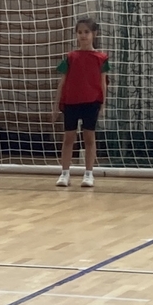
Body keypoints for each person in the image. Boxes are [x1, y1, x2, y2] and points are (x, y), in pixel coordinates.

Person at [55, 17, 109, 188]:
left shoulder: (101, 58)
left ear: (94, 34)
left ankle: (89, 174)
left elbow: (103, 83)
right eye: (79, 32)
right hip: (71, 102)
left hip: (91, 103)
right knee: (68, 138)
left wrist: (103, 104)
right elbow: (62, 81)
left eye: (86, 32)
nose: (83, 35)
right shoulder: (70, 57)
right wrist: (56, 104)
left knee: (89, 138)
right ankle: (65, 173)